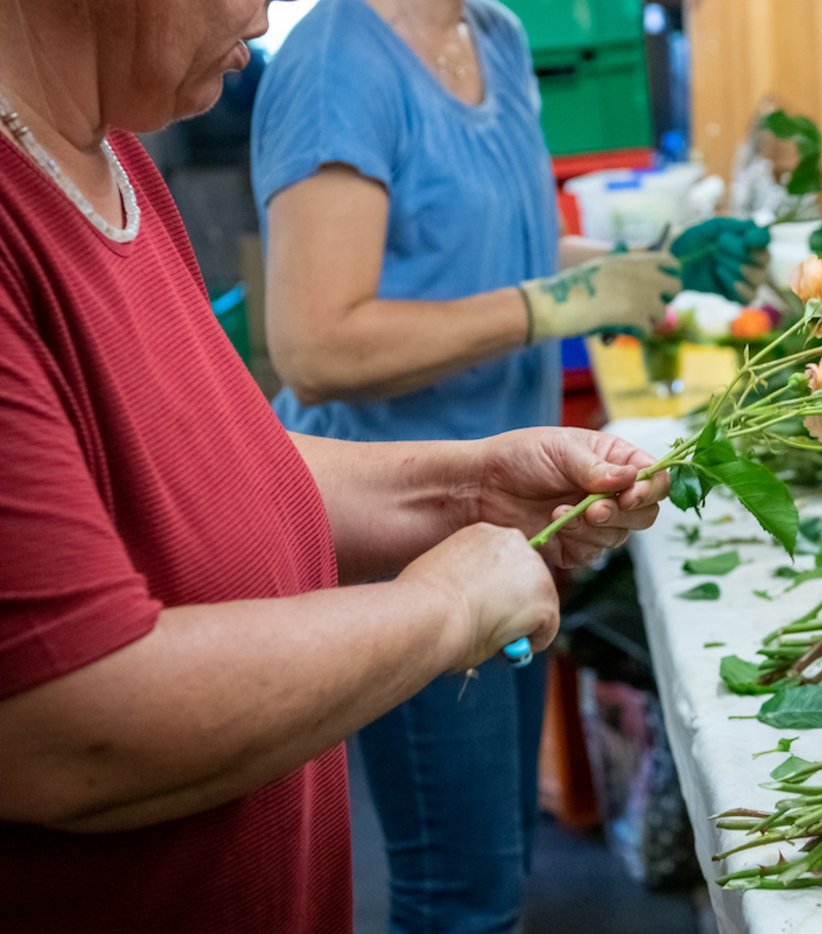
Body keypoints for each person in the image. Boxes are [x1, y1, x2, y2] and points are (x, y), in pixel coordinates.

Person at [0, 1, 667, 931]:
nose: (266, 8)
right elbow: (68, 726)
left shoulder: (118, 162)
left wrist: (466, 487)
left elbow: (222, 465)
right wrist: (445, 607)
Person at [250, 2, 765, 931]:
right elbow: (316, 344)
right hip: (404, 531)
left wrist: (640, 267)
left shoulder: (498, 36)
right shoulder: (336, 61)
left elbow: (497, 252)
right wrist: (555, 303)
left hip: (516, 519)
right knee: (462, 892)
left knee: (498, 866)